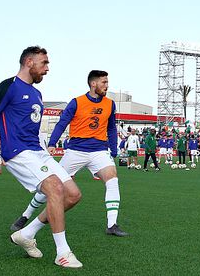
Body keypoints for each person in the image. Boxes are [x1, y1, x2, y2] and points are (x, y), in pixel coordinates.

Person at [0, 45, 84, 268]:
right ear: (29, 62)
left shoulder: (37, 93)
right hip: (17, 152)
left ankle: (27, 233)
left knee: (73, 195)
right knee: (54, 188)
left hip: (38, 151)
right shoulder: (9, 86)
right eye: (44, 63)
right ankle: (62, 252)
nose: (47, 69)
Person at [12, 70, 127, 237]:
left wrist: (114, 148)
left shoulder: (110, 104)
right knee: (54, 185)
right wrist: (52, 144)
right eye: (104, 82)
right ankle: (25, 215)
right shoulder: (76, 102)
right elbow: (62, 123)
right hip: (75, 151)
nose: (107, 86)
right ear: (93, 84)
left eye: (107, 82)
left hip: (99, 150)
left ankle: (112, 224)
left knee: (112, 179)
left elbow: (110, 127)